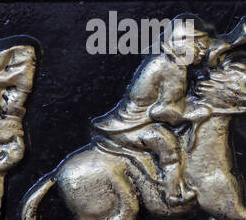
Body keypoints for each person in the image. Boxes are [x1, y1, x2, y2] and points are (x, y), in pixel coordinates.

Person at [91, 15, 227, 205]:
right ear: (181, 43)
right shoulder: (174, 68)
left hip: (126, 121)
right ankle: (173, 194)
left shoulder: (165, 60)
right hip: (132, 126)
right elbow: (161, 111)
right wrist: (192, 112)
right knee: (167, 143)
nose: (203, 52)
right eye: (199, 46)